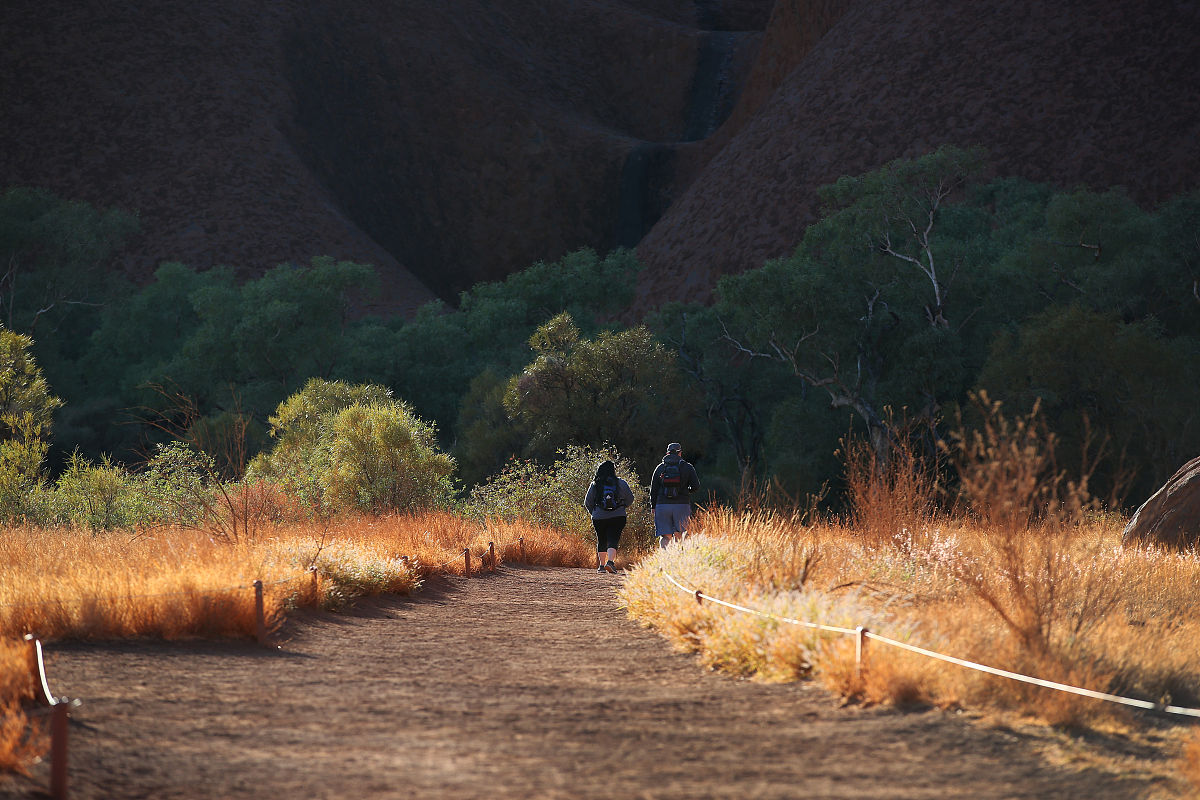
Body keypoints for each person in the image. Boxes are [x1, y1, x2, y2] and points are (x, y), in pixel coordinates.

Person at [583, 460, 635, 573]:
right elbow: (630, 498)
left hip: (598, 517)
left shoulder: (595, 484)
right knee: (613, 539)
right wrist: (622, 507)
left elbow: (587, 502)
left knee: (601, 539)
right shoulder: (621, 483)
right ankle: (610, 562)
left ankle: (601, 566)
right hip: (618, 516)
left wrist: (594, 513)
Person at [649, 442, 700, 548]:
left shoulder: (660, 468)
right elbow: (696, 486)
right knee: (681, 534)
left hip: (662, 505)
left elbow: (654, 489)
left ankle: (665, 560)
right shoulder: (687, 467)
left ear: (667, 453)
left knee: (665, 537)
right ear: (680, 453)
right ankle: (679, 560)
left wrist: (653, 506)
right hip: (682, 504)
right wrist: (686, 491)